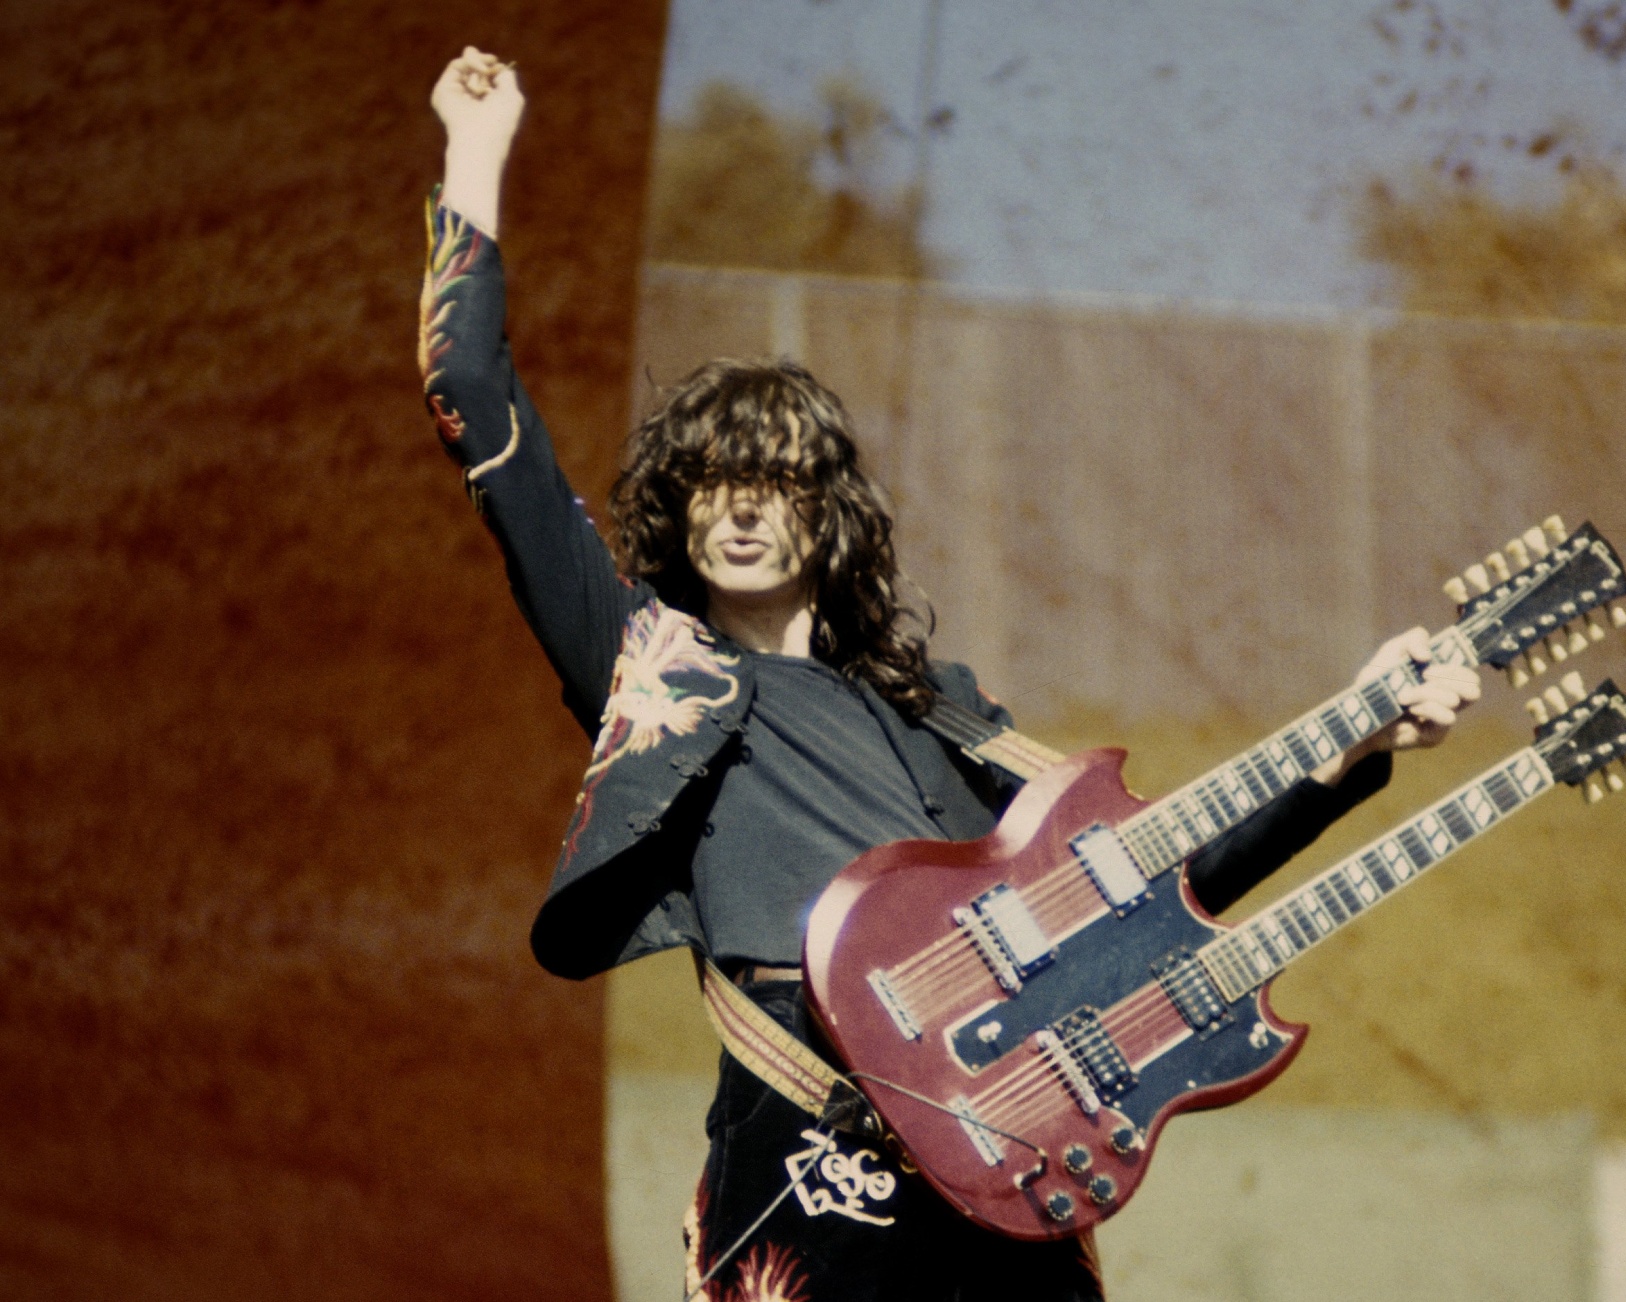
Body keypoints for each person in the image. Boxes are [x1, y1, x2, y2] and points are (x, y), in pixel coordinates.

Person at [423, 46, 1481, 1302]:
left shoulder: (940, 716)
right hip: (809, 1157)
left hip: (1005, 1159)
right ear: (680, 510)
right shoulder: (651, 664)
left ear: (831, 519)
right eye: (715, 483)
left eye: (779, 484)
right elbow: (468, 388)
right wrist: (475, 151)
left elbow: (1148, 888)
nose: (744, 510)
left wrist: (1360, 744)